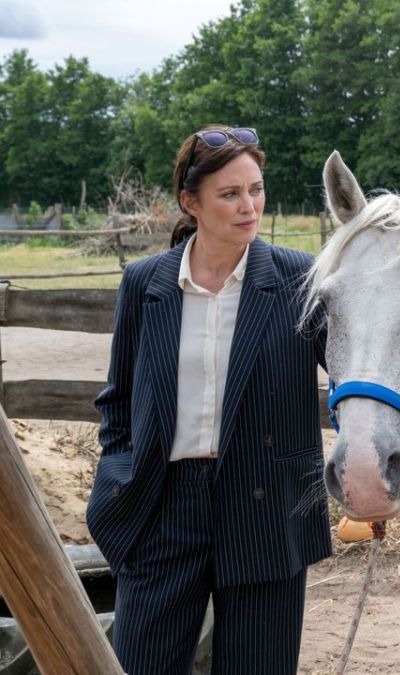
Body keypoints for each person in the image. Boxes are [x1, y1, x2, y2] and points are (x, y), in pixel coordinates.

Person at [85, 125, 330, 674]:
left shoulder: (300, 279)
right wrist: (120, 477)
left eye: (256, 189)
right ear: (190, 202)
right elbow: (117, 400)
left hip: (267, 507)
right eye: (230, 194)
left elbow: (353, 375)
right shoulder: (143, 282)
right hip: (161, 506)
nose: (249, 206)